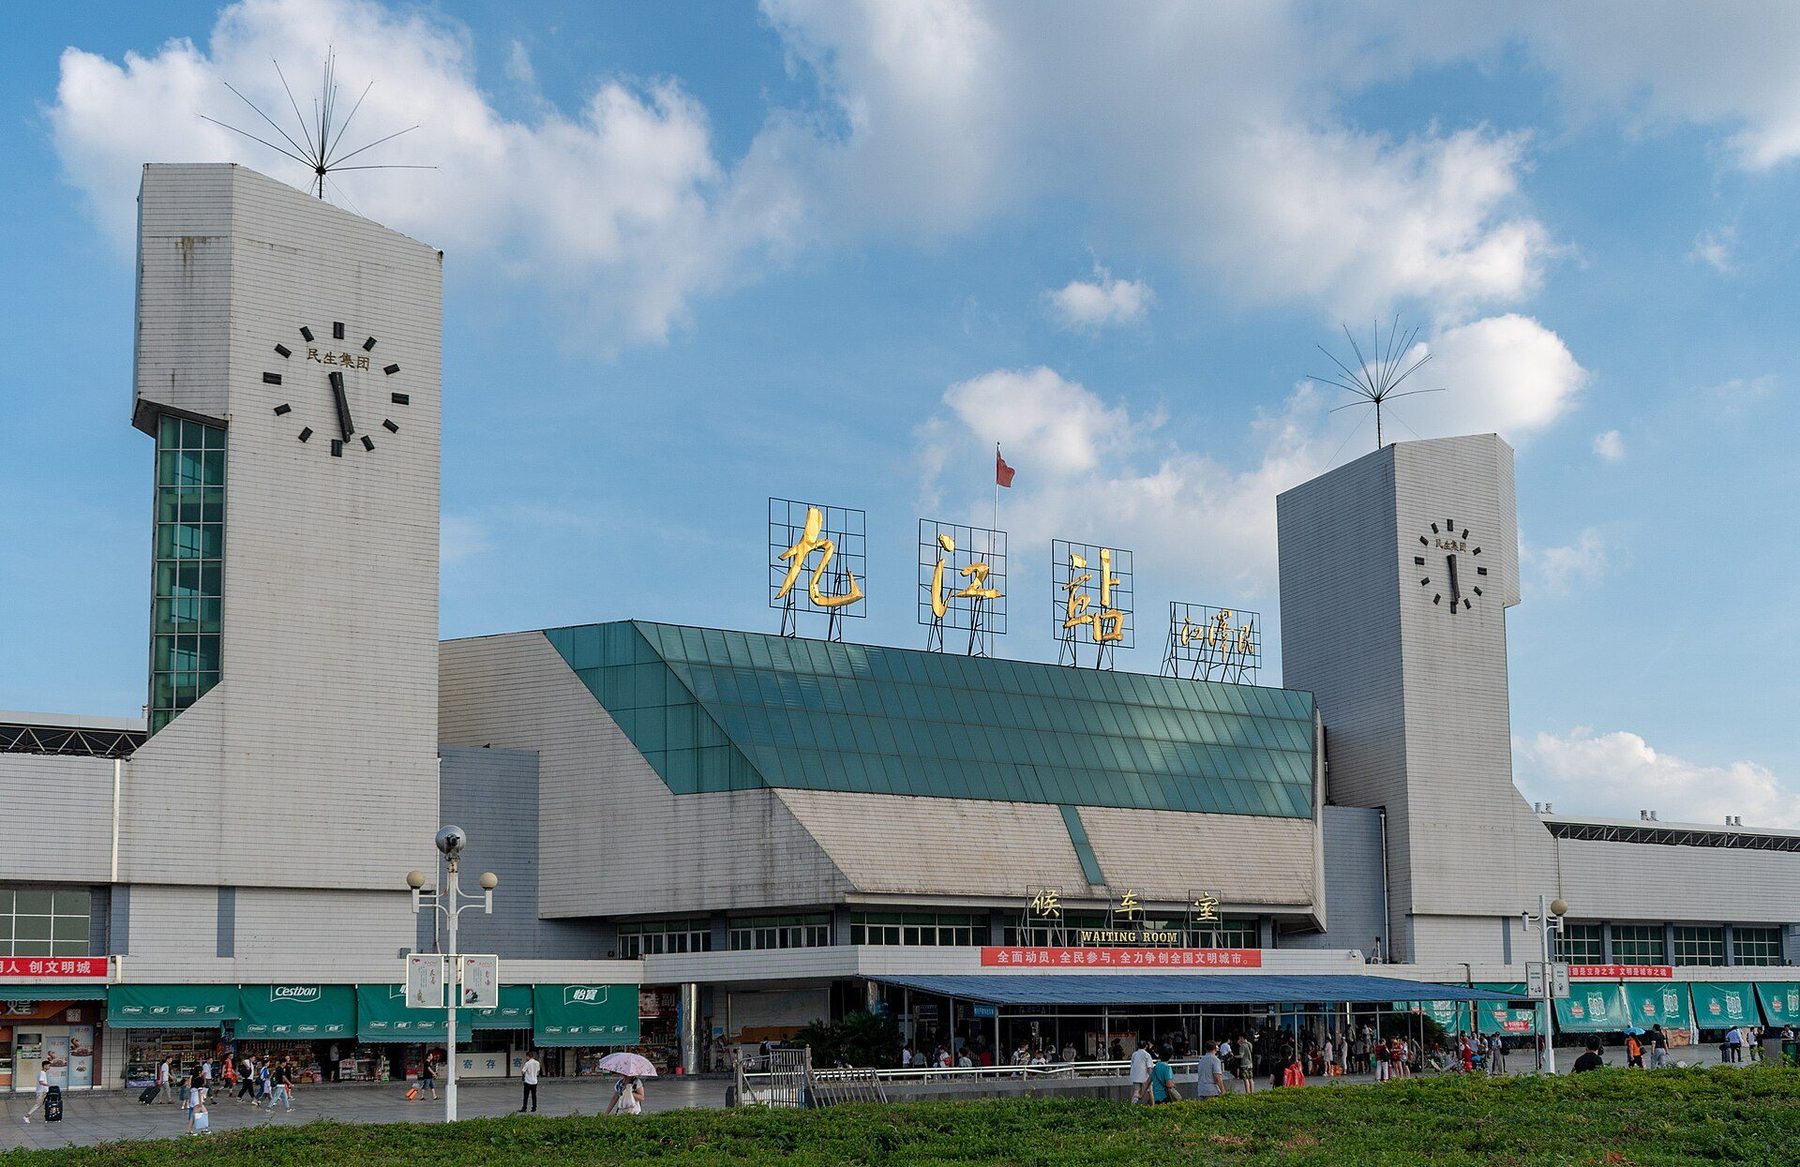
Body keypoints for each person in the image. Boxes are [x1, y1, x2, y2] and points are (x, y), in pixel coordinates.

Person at [1128, 1039, 1154, 1104]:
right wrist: (1152, 1077)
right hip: (1145, 1078)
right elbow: (1149, 1068)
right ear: (1146, 1046)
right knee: (1150, 1092)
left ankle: (1132, 1107)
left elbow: (1132, 1065)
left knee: (1136, 1092)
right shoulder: (1147, 1055)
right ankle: (1153, 1106)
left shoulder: (1134, 1054)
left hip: (1136, 1077)